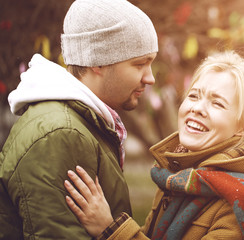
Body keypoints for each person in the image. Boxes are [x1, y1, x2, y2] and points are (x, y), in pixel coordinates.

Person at [64, 51, 244, 239]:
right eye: (193, 95)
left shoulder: (243, 203)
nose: (197, 108)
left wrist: (110, 229)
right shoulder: (178, 177)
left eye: (217, 103)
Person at [0, 0, 158, 239]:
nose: (151, 78)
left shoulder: (79, 124)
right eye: (140, 64)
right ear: (97, 62)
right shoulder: (61, 135)